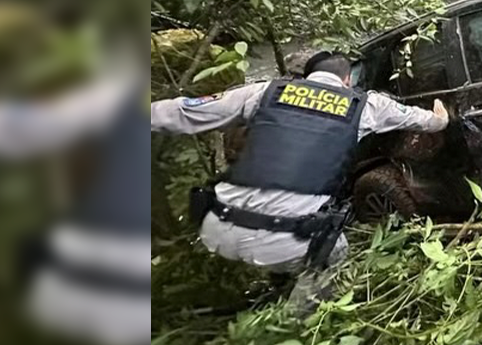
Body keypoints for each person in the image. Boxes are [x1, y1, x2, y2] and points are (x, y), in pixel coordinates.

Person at [150, 51, 448, 307]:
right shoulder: (366, 104)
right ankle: (297, 323)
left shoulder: (264, 91)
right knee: (337, 256)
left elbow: (183, 112)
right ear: (347, 80)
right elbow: (426, 121)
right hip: (288, 241)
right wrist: (441, 117)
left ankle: (258, 284)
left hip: (216, 227)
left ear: (306, 76)